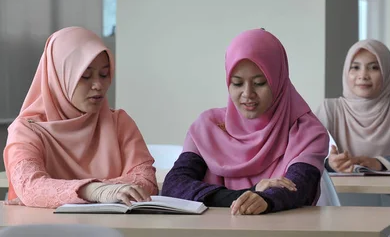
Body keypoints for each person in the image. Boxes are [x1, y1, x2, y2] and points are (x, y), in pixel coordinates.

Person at [161, 29, 329, 215]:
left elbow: (299, 188)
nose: (247, 94)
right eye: (237, 83)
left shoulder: (307, 131)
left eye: (259, 83)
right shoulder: (209, 127)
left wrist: (265, 199)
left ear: (278, 80)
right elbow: (174, 186)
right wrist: (250, 194)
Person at [3, 27, 157, 209]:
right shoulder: (26, 130)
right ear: (59, 77)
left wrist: (56, 193)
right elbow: (31, 187)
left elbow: (146, 181)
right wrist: (95, 191)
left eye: (104, 74)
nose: (98, 85)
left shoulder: (119, 123)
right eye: (85, 76)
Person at [315, 39, 390, 174]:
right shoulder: (330, 110)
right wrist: (330, 164)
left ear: (386, 71)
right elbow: (309, 160)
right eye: (355, 67)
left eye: (374, 67)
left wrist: (380, 163)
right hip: (343, 194)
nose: (363, 75)